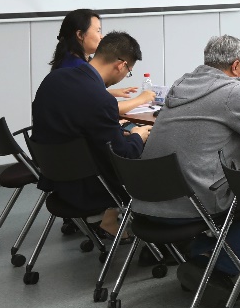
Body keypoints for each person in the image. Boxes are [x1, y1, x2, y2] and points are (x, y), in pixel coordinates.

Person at [133, 35, 240, 295]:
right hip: (190, 204)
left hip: (147, 200)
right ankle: (214, 268)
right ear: (236, 66)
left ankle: (201, 253)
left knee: (230, 194)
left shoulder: (181, 84)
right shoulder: (232, 91)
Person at [31, 31, 151, 235]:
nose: (125, 76)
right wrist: (138, 135)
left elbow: (77, 129)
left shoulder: (54, 79)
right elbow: (124, 156)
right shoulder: (101, 99)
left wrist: (117, 133)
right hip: (91, 187)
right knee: (154, 153)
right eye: (128, 71)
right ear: (121, 65)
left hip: (54, 177)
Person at [49, 8, 154, 115]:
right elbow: (105, 108)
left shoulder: (71, 62)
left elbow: (82, 96)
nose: (101, 36)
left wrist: (110, 92)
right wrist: (141, 99)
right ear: (80, 35)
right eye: (98, 31)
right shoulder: (78, 70)